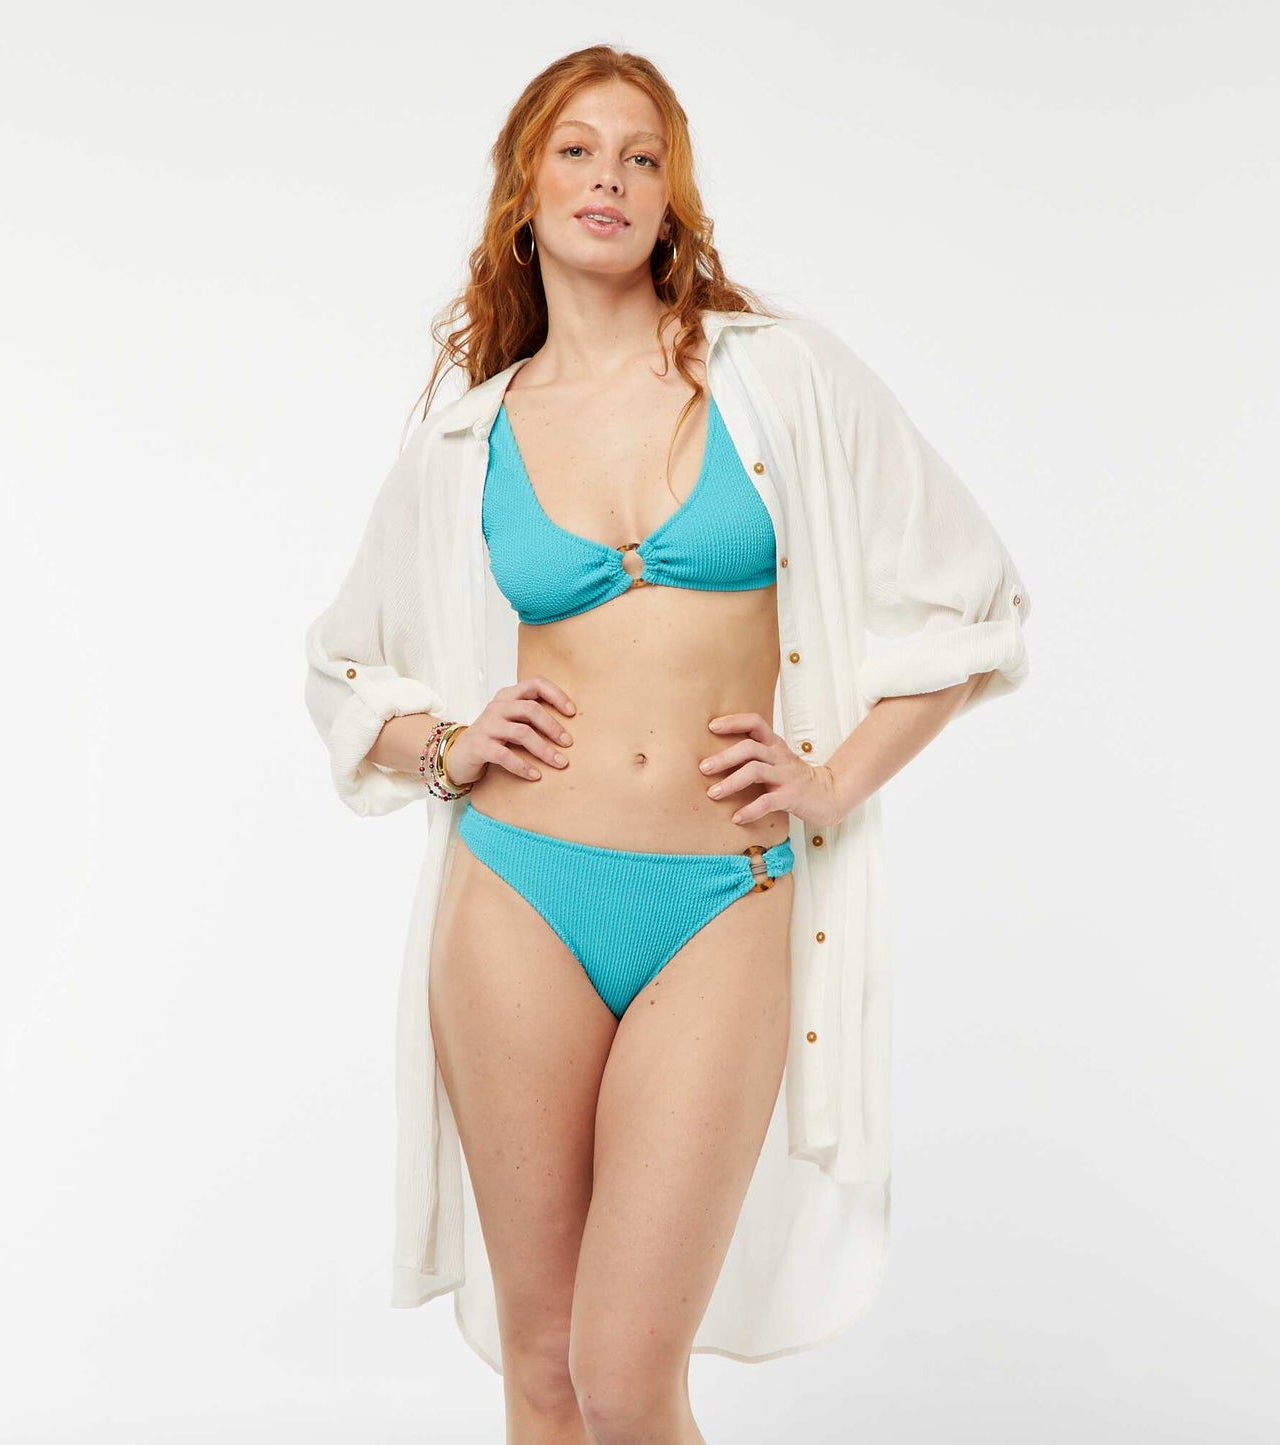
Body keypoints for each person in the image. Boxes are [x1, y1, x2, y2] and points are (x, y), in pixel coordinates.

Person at [304, 43, 1032, 1445]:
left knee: (630, 1377)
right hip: (517, 893)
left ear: (672, 196)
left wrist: (831, 780)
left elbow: (973, 603)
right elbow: (341, 668)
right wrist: (446, 744)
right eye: (577, 151)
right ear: (524, 192)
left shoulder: (778, 379)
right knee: (544, 1370)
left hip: (725, 899)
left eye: (642, 156)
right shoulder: (469, 437)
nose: (611, 178)